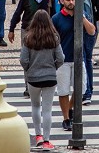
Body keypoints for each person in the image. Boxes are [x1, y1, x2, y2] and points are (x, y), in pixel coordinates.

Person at [52, 0, 96, 133]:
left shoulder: (81, 15)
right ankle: (66, 118)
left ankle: (70, 109)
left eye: (73, 0)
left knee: (81, 89)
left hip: (79, 58)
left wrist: (82, 17)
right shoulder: (57, 18)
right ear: (62, 0)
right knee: (63, 91)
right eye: (68, 0)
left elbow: (91, 31)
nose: (71, 2)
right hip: (63, 60)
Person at [20, 9, 66, 151]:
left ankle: (38, 135)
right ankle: (47, 140)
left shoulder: (28, 38)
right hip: (50, 76)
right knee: (47, 109)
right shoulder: (54, 38)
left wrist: (29, 69)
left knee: (35, 106)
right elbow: (61, 58)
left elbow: (23, 60)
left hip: (33, 77)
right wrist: (53, 67)